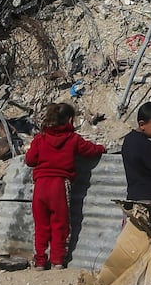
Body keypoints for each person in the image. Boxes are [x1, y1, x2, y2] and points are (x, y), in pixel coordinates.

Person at [24, 102, 105, 269]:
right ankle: (57, 260)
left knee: (41, 225)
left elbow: (30, 160)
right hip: (60, 186)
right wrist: (101, 148)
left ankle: (40, 261)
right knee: (59, 223)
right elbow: (89, 150)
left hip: (40, 187)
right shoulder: (73, 139)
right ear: (69, 120)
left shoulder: (41, 138)